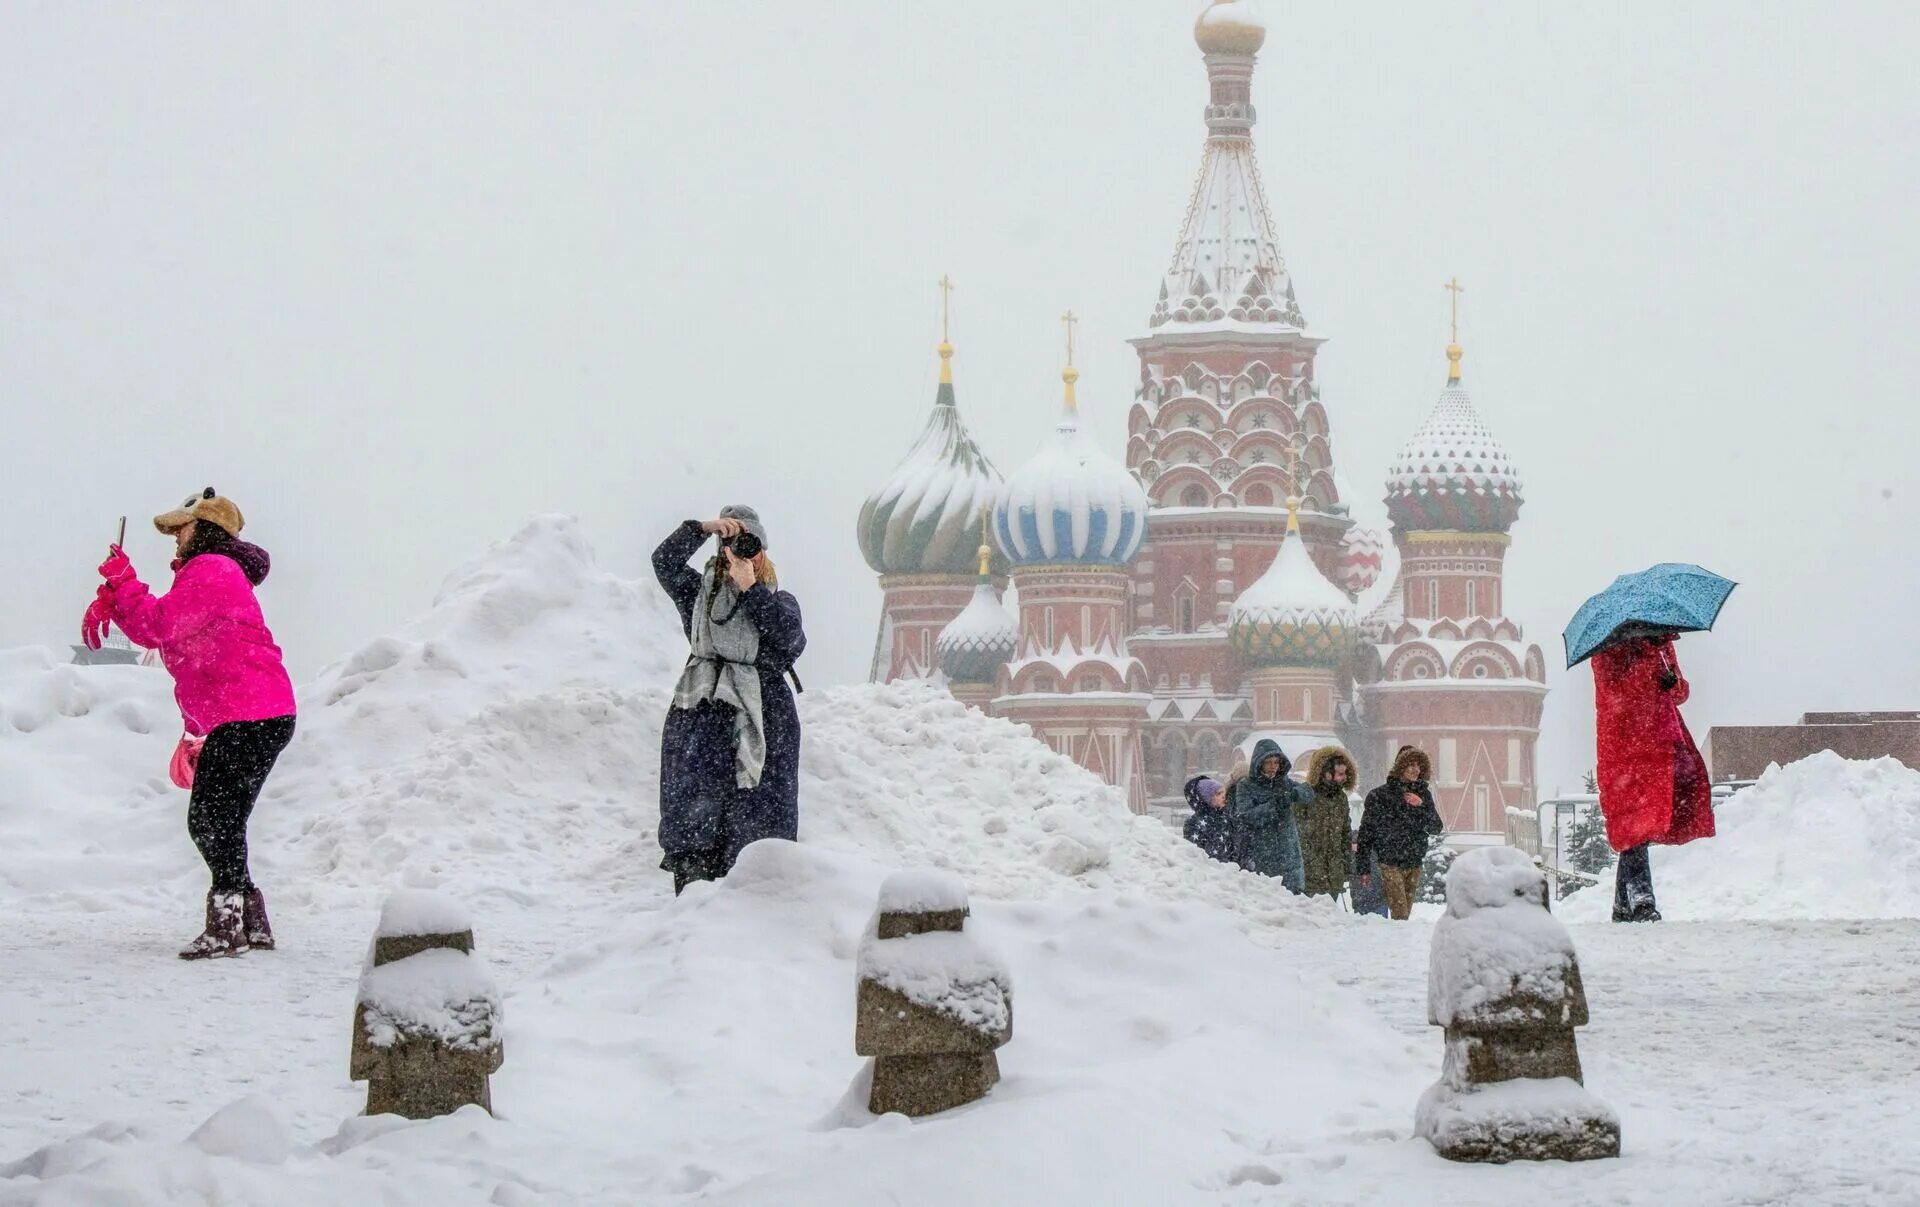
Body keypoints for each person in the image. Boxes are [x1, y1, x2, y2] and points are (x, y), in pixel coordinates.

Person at [82, 489, 297, 959]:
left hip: (250, 714)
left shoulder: (213, 569)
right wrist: (115, 599)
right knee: (224, 821)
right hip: (259, 713)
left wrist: (123, 581)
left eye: (182, 528)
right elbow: (179, 641)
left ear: (206, 530)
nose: (176, 537)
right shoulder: (215, 574)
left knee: (208, 821)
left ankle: (227, 926)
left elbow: (159, 626)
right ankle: (250, 921)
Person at [653, 507, 806, 894]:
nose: (741, 552)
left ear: (763, 554)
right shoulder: (699, 600)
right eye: (732, 545)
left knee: (755, 836)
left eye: (750, 547)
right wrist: (702, 530)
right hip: (702, 718)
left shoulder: (779, 600)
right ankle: (691, 906)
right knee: (696, 830)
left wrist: (750, 589)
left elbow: (789, 641)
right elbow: (664, 561)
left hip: (764, 719)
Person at [1592, 631, 1714, 922]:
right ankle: (1642, 899)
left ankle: (1624, 905)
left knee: (1646, 816)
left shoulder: (1661, 644)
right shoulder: (1608, 646)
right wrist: (1650, 668)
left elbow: (1678, 692)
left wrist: (1673, 682)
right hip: (1626, 743)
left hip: (1661, 739)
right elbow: (1614, 692)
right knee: (1635, 818)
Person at [1354, 746, 1444, 920]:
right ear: (1399, 766)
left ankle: (1395, 942)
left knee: (1404, 915)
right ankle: (1397, 943)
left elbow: (1436, 827)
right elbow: (1366, 834)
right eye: (1410, 764)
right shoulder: (1379, 796)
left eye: (1418, 765)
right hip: (1389, 863)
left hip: (1414, 862)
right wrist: (1363, 868)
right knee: (1400, 913)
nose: (1414, 769)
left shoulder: (1424, 795)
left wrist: (1421, 806)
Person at [1229, 739, 1306, 892]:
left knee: (1295, 905)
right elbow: (1246, 816)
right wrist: (1274, 805)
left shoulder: (1284, 782)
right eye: (1268, 762)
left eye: (1276, 763)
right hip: (1264, 854)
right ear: (1259, 763)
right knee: (1269, 902)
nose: (1273, 767)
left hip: (1289, 855)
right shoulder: (1246, 786)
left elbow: (1308, 792)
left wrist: (1295, 794)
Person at [1297, 747, 1357, 903]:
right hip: (1310, 874)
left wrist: (1346, 865)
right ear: (1326, 773)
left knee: (1330, 918)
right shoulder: (1305, 795)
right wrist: (1310, 862)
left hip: (1334, 873)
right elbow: (1298, 835)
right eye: (1340, 774)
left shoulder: (1341, 798)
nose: (1344, 778)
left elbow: (1345, 833)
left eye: (1345, 773)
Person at [1181, 774, 1236, 864]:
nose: (1223, 796)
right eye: (1218, 793)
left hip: (1234, 871)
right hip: (1211, 872)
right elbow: (1194, 854)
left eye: (1223, 792)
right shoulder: (1193, 824)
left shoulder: (1228, 815)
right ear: (1206, 798)